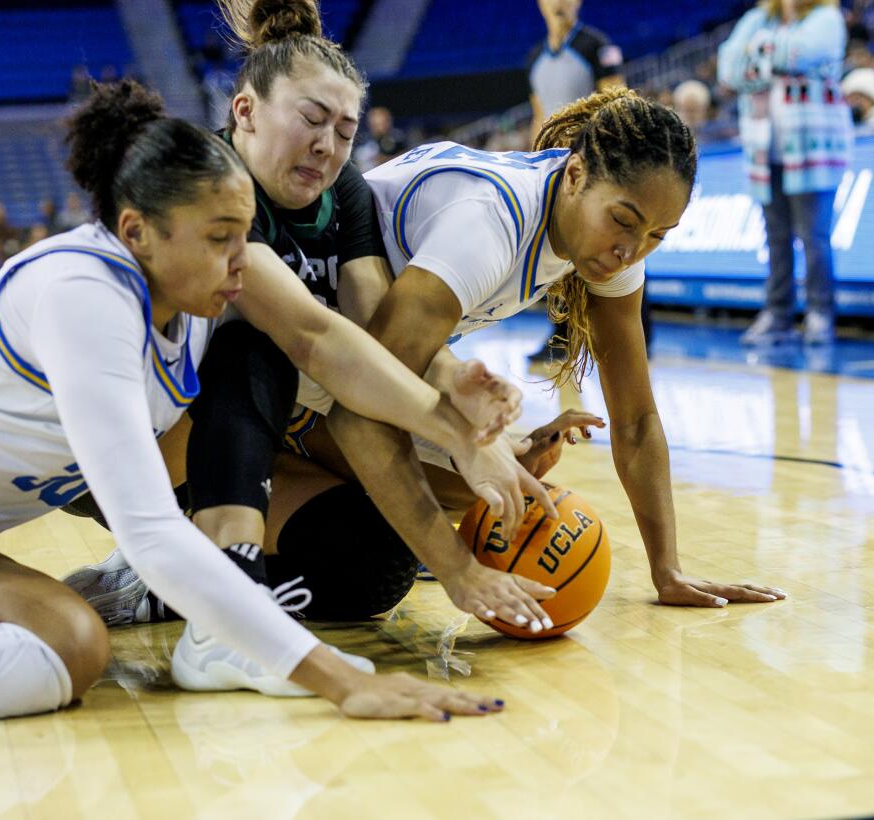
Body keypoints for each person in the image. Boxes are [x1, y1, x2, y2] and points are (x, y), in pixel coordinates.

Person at [0, 79, 511, 757]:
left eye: (247, 237)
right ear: (136, 231)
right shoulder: (83, 292)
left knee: (67, 648)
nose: (244, 259)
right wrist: (342, 679)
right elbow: (152, 533)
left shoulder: (203, 276)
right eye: (224, 238)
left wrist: (462, 434)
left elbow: (324, 341)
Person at [66, 0, 556, 642]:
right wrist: (463, 455)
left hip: (236, 428)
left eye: (345, 131)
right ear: (244, 112)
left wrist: (459, 381)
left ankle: (158, 578)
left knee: (377, 567)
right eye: (311, 120)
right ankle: (202, 580)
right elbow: (319, 339)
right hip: (118, 442)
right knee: (255, 350)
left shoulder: (341, 192)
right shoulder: (211, 188)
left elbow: (376, 334)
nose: (327, 147)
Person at [324, 87, 784, 610]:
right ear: (575, 175)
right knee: (382, 556)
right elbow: (360, 405)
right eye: (624, 221)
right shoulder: (492, 222)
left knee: (508, 486)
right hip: (278, 340)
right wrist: (458, 567)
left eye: (658, 235)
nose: (630, 252)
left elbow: (635, 419)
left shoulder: (606, 240)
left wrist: (668, 571)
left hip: (352, 351)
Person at [718, 0, 850, 346]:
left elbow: (802, 53)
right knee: (775, 239)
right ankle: (778, 315)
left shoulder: (827, 18)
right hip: (765, 150)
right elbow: (728, 68)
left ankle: (820, 313)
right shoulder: (759, 18)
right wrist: (765, 55)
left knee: (814, 237)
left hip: (813, 148)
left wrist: (754, 52)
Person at [526, 0, 628, 364]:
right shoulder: (535, 55)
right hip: (556, 170)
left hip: (597, 165)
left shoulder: (596, 46)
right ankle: (561, 334)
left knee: (620, 251)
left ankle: (637, 333)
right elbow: (539, 116)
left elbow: (618, 103)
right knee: (555, 256)